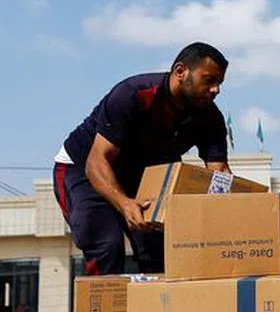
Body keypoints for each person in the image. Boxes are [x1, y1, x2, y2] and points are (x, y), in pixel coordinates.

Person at [52, 43, 230, 275]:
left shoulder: (210, 118)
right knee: (106, 244)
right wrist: (125, 204)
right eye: (209, 80)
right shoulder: (133, 94)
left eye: (220, 83)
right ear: (180, 72)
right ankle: (102, 309)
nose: (216, 89)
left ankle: (155, 310)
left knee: (160, 252)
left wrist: (234, 214)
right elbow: (97, 161)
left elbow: (220, 173)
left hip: (140, 177)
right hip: (86, 169)